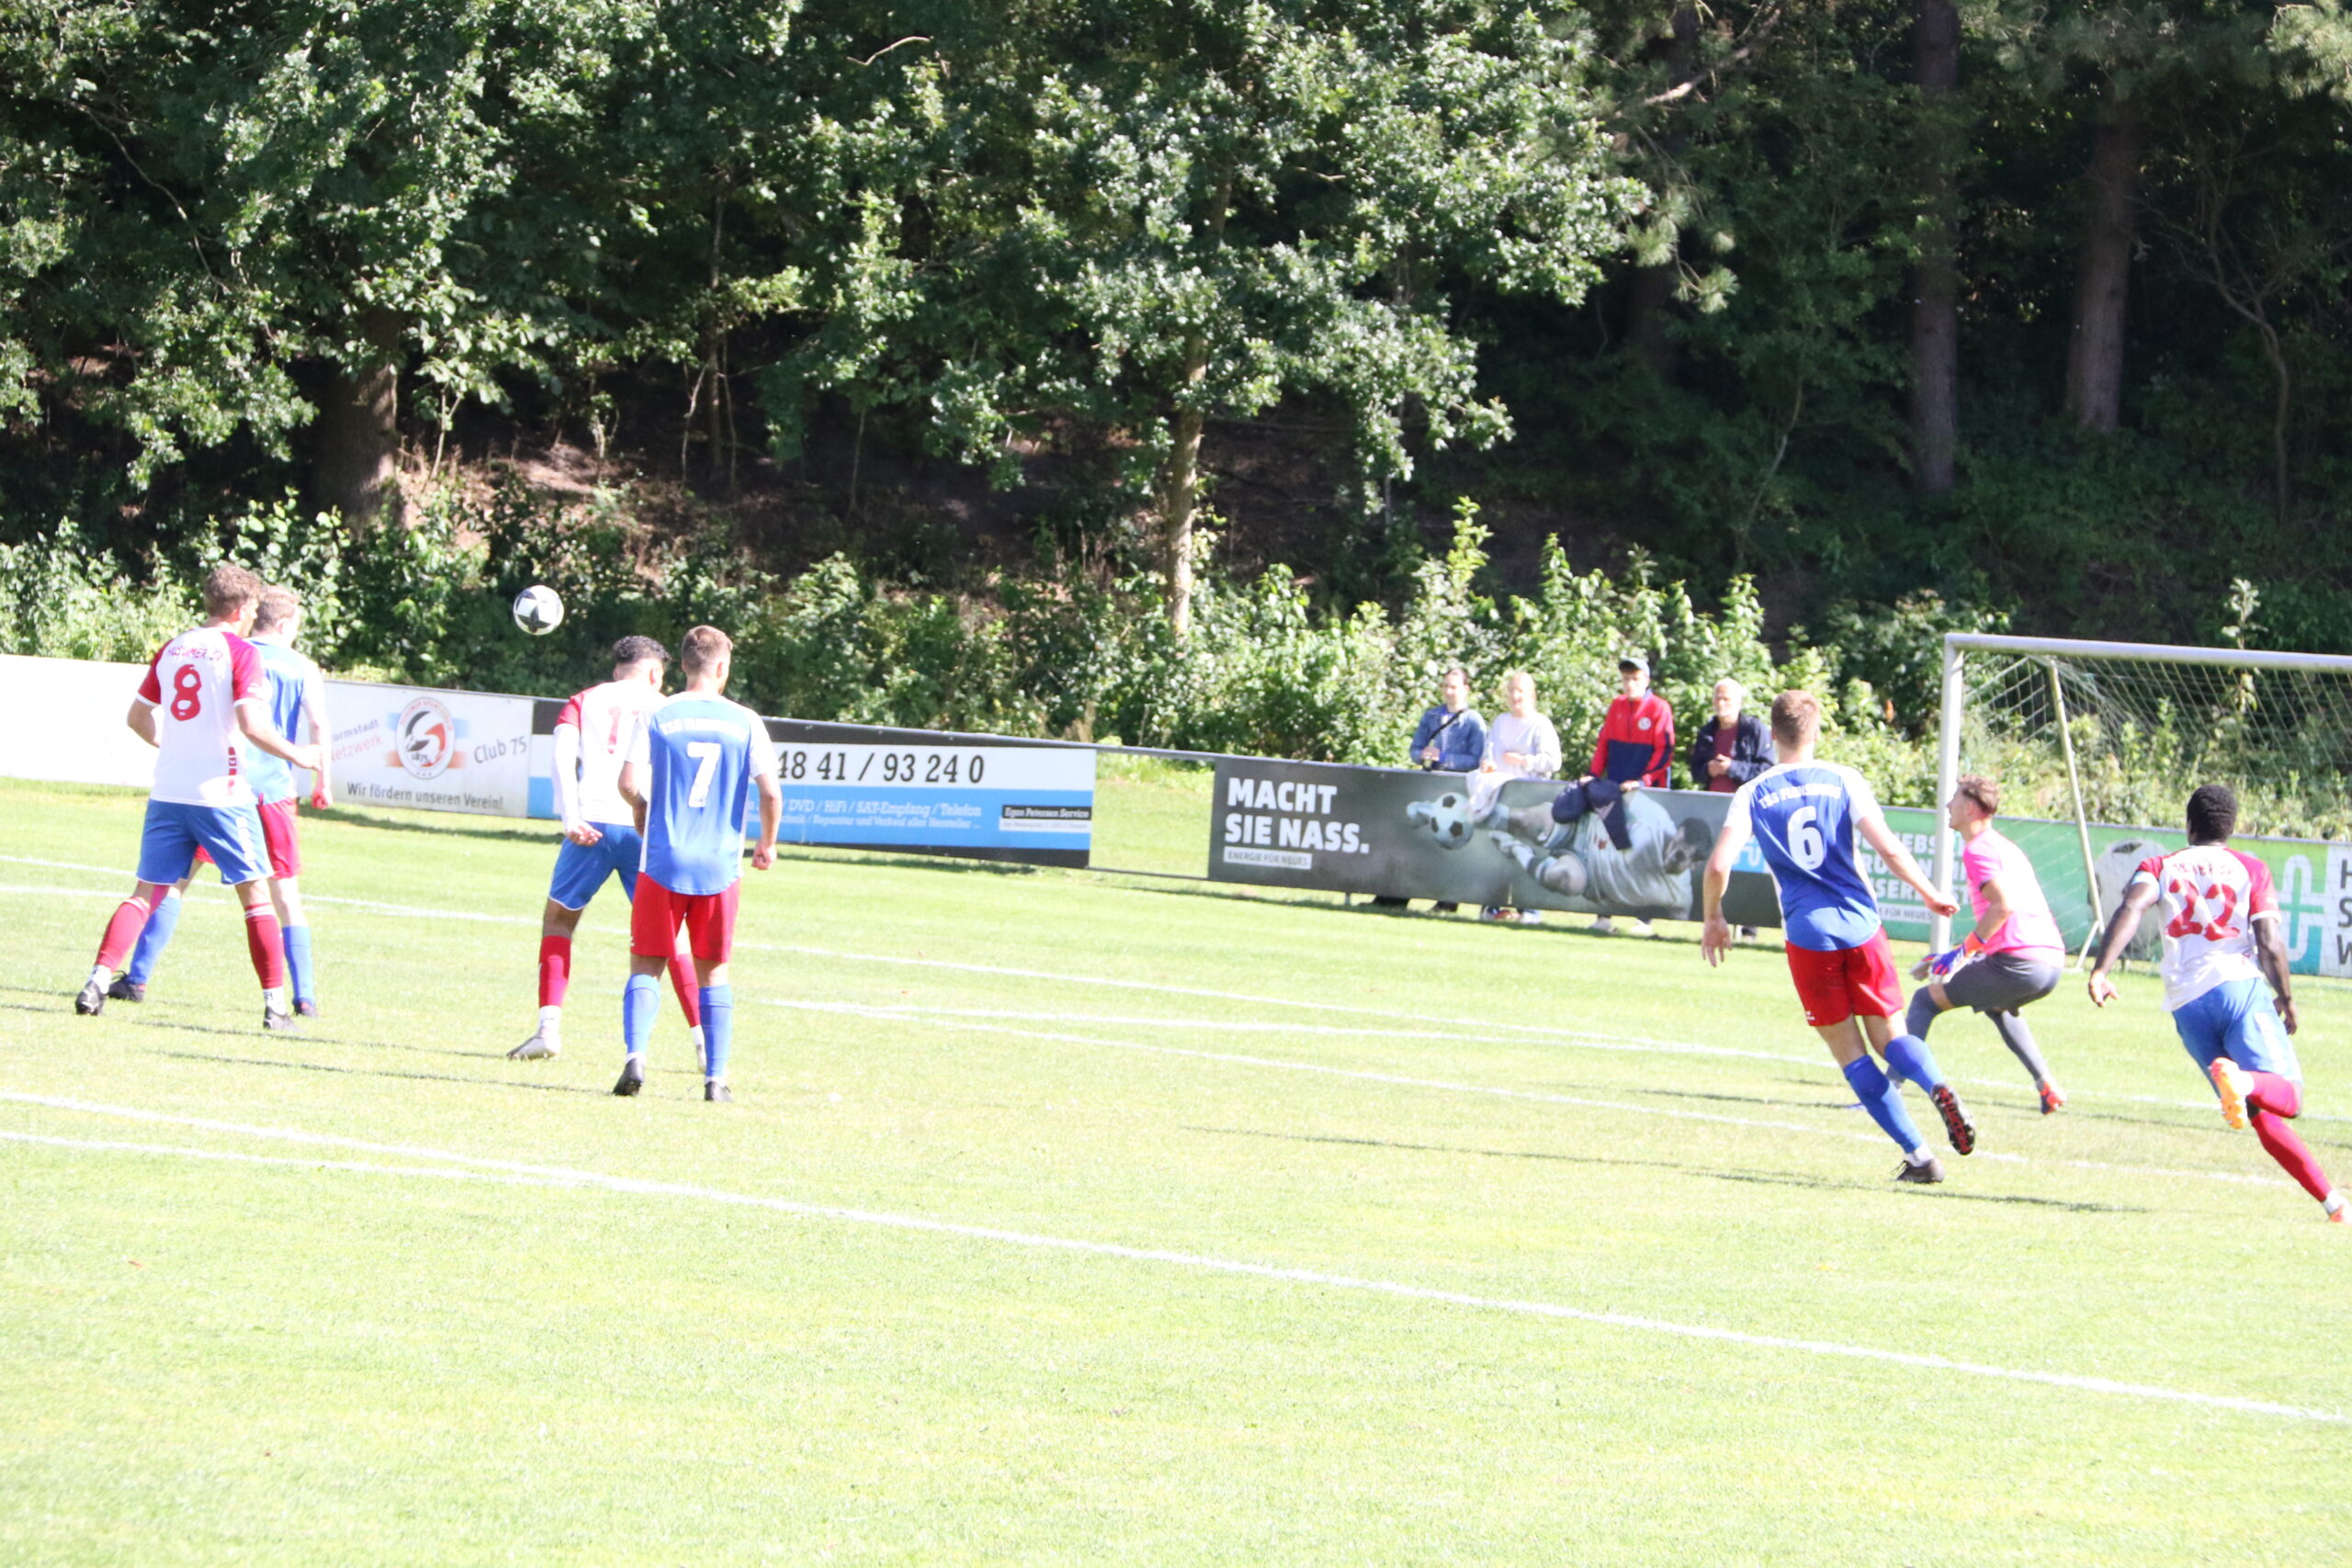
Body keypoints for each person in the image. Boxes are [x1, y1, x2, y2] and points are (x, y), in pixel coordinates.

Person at [1700, 690, 1975, 1184]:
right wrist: (1930, 894)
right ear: (1816, 731)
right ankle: (1936, 1084)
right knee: (1892, 1036)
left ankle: (1920, 1157)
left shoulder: (1753, 792)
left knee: (1851, 1054)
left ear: (1773, 734)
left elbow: (1719, 864)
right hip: (1862, 924)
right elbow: (1890, 850)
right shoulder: (1844, 778)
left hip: (1808, 935)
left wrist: (1714, 917)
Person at [75, 565, 322, 1030]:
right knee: (257, 897)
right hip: (222, 795)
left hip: (169, 792)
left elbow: (137, 717)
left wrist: (172, 746)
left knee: (145, 892)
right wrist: (299, 755)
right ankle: (275, 1006)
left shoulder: (174, 647)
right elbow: (253, 726)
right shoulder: (240, 652)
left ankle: (98, 979)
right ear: (242, 608)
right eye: (253, 607)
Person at [2088, 784, 2346, 1222]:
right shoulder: (2250, 868)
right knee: (2290, 1098)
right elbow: (2269, 941)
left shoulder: (2158, 866)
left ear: (2189, 825)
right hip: (2237, 987)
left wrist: (2101, 970)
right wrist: (2286, 998)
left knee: (2261, 1113)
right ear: (2230, 827)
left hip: (2187, 1005)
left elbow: (2131, 908)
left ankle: (2334, 1204)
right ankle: (2241, 1081)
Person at [512, 636, 706, 1063]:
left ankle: (548, 1029)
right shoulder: (667, 707)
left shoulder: (584, 699)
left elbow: (561, 758)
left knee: (559, 921)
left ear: (618, 669)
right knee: (672, 938)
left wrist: (570, 817)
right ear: (654, 673)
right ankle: (703, 1043)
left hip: (592, 825)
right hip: (647, 829)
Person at [612, 625, 782, 1101]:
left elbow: (627, 783)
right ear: (722, 667)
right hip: (719, 866)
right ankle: (716, 1079)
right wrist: (767, 843)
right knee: (713, 972)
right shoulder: (747, 720)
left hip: (662, 860)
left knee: (647, 964)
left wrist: (640, 807)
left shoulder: (657, 712)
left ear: (684, 665)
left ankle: (636, 1058)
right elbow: (771, 793)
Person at [1905, 776, 2069, 1113]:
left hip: (2020, 963)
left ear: (1969, 808)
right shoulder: (2004, 846)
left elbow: (2003, 906)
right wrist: (1957, 955)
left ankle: (1888, 1090)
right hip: (2050, 963)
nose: (1948, 805)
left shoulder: (1978, 849)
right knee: (1997, 1007)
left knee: (1925, 1001)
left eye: (1953, 799)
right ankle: (2047, 1086)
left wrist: (1961, 953)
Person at [1588, 653, 1675, 936]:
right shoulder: (1616, 706)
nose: (1630, 684)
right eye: (1626, 679)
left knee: (1645, 855)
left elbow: (1665, 752)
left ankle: (1644, 920)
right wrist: (1593, 773)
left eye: (1635, 679)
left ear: (1646, 680)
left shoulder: (1660, 708)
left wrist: (1643, 781)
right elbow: (1604, 743)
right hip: (1615, 790)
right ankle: (1603, 917)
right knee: (1608, 852)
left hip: (1647, 793)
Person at [1390, 666, 1487, 911]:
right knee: (1415, 840)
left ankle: (1447, 900)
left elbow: (1476, 760)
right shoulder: (1431, 717)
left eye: (1454, 687)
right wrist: (1423, 755)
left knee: (1451, 847)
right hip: (1430, 785)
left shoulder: (1473, 722)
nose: (1449, 692)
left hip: (1458, 791)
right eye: (1446, 686)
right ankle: (1397, 895)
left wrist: (1444, 758)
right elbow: (1414, 749)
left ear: (1466, 689)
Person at [1689, 678, 1773, 941]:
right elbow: (1694, 770)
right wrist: (1709, 770)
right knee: (1717, 866)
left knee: (1746, 870)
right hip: (1715, 809)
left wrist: (1732, 768)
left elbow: (1767, 769)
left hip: (1747, 811)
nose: (1721, 703)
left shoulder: (1754, 729)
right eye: (1718, 698)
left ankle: (1749, 928)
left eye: (1726, 698)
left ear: (1738, 702)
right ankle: (1715, 919)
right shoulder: (1707, 731)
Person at [1477, 671, 1561, 923]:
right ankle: (1491, 908)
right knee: (1496, 854)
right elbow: (1489, 751)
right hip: (1501, 797)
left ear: (1531, 695)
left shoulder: (1540, 724)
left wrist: (1525, 761)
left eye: (1521, 691)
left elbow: (1554, 761)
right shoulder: (1500, 722)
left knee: (1529, 855)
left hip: (1531, 801)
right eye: (1512, 691)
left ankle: (1530, 910)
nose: (1516, 696)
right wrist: (1487, 763)